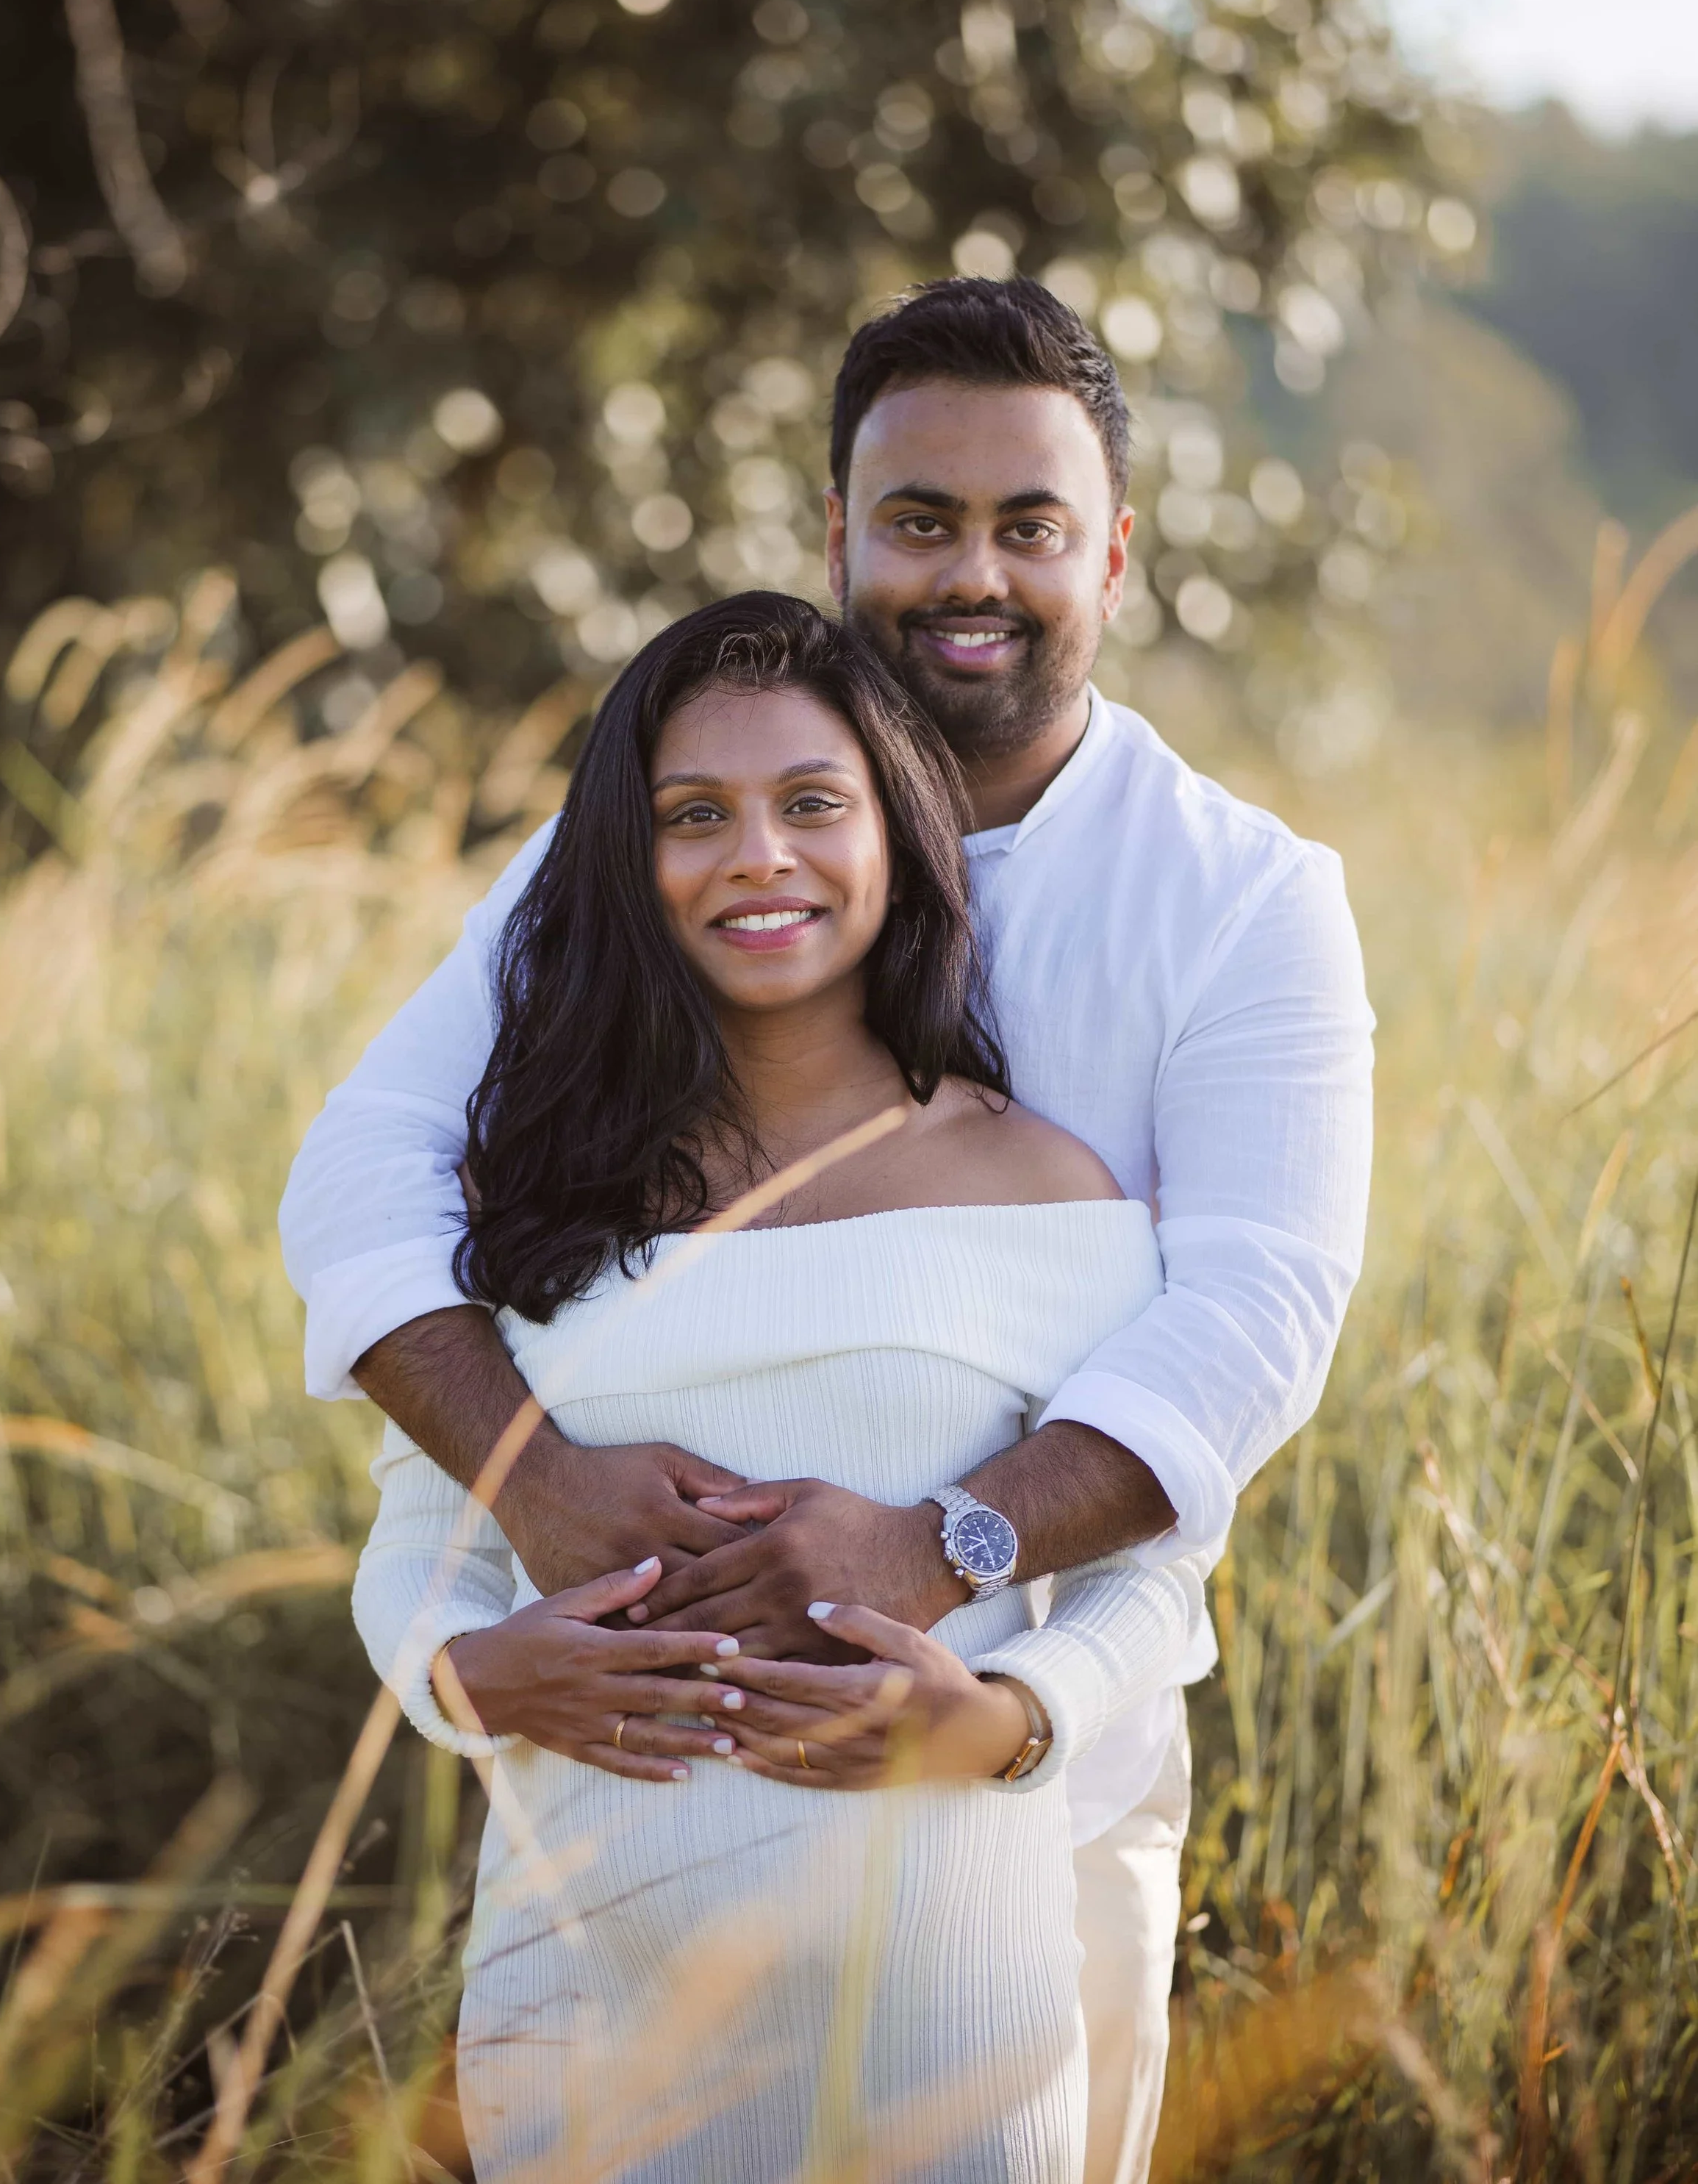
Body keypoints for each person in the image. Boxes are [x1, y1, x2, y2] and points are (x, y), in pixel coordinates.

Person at [282, 277, 1376, 2183]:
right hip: (615, 1851)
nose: (972, 571)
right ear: (837, 537)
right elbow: (369, 1182)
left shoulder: (1240, 899)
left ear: (1110, 552)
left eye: (1026, 523)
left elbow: (1254, 1321)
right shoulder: (636, 855)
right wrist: (532, 1483)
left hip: (1015, 1784)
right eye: (917, 519)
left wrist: (946, 1554)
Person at [353, 593, 1208, 2179]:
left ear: (896, 834)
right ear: (629, 860)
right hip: (585, 2001)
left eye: (811, 803)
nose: (757, 856)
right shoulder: (531, 1190)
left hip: (948, 2014)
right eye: (695, 815)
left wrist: (1016, 1714)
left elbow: (1157, 1564)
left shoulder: (1035, 1183)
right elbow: (422, 1538)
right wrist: (466, 1680)